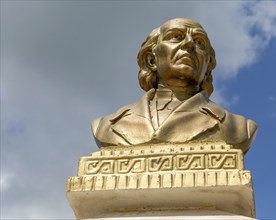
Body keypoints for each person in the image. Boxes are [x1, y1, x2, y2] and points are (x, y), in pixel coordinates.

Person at [91, 18, 257, 154]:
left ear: (208, 66)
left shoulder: (237, 128)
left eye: (199, 42)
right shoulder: (107, 125)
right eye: (176, 37)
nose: (189, 44)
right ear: (151, 59)